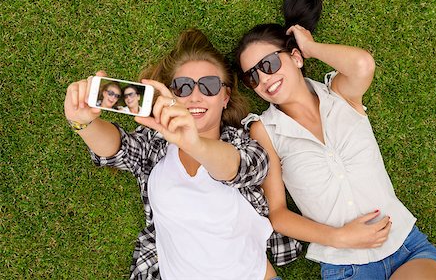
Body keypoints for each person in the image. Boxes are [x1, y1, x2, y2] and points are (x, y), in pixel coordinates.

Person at [235, 0, 436, 279]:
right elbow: (279, 215)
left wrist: (309, 46)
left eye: (269, 64)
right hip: (346, 265)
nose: (264, 79)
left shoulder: (340, 94)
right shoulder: (265, 130)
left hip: (406, 247)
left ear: (295, 58)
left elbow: (363, 64)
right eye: (252, 77)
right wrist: (340, 238)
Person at [64, 29, 299, 279]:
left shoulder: (245, 143)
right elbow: (118, 149)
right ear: (172, 95)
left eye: (209, 86)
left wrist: (194, 143)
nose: (195, 96)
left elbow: (243, 168)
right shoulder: (157, 145)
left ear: (225, 97)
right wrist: (84, 123)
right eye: (183, 87)